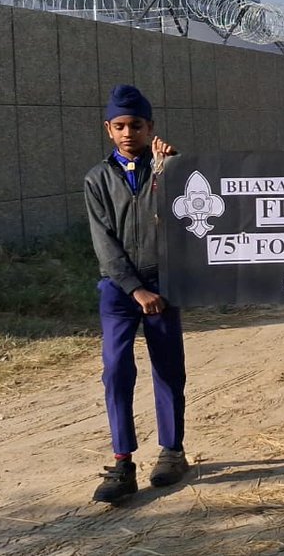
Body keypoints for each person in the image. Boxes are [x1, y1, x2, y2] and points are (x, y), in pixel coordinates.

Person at [84, 84, 188, 503]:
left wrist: (175, 167)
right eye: (121, 126)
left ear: (150, 128)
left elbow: (189, 212)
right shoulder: (97, 179)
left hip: (163, 285)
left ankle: (172, 451)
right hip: (119, 290)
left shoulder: (166, 169)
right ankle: (123, 460)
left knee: (168, 367)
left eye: (137, 125)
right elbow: (104, 243)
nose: (129, 133)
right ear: (109, 129)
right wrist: (134, 289)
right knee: (116, 369)